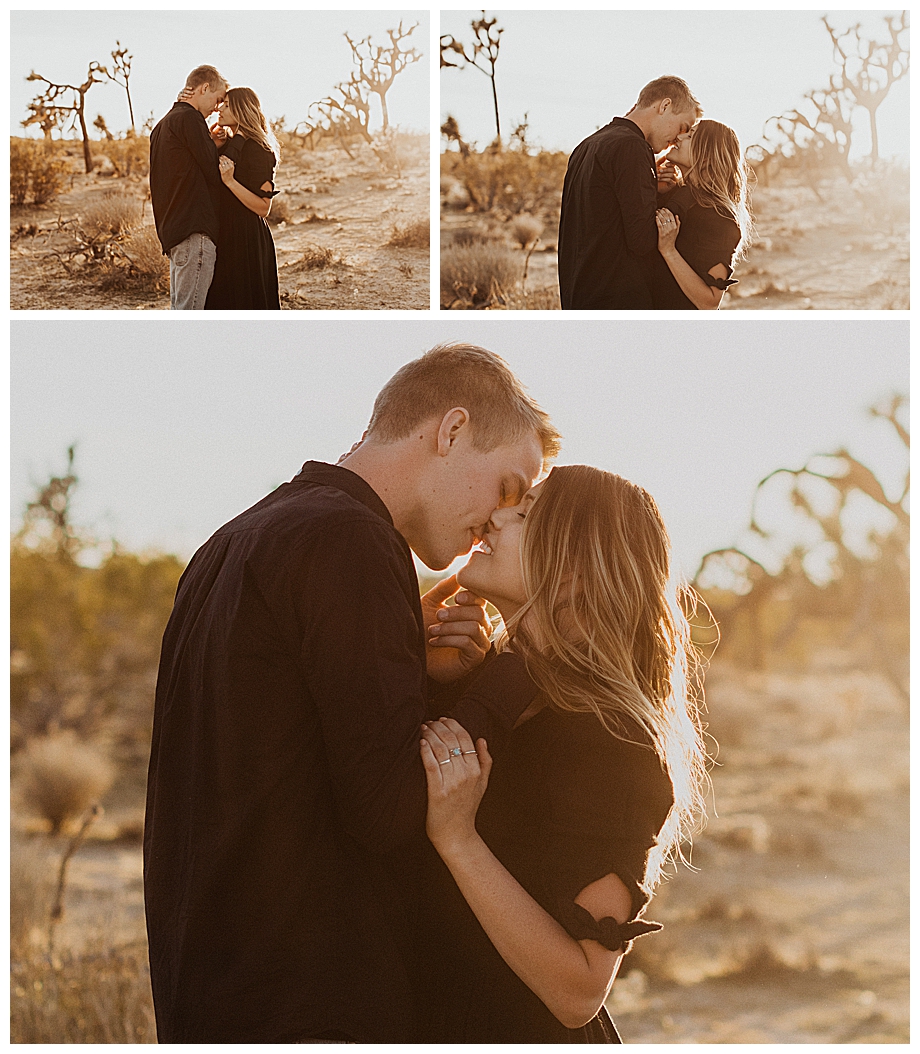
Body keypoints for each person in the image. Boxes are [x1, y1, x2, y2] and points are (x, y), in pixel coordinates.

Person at [143, 343, 562, 1043]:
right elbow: (390, 811)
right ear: (451, 432)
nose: (497, 519)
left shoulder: (233, 540)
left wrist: (416, 673)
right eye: (509, 488)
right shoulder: (352, 543)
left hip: (208, 987)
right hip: (310, 999)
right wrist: (523, 665)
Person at [415, 465, 709, 1043]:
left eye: (523, 514)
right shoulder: (488, 687)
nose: (495, 515)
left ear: (571, 571)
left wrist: (458, 839)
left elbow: (578, 992)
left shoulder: (612, 746)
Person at [557, 76, 702, 310]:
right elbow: (642, 240)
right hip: (616, 300)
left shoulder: (587, 145)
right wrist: (689, 192)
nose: (678, 138)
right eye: (682, 127)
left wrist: (651, 189)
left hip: (579, 293)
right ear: (665, 106)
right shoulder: (632, 147)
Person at [653, 119, 753, 309]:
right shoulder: (676, 195)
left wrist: (669, 251)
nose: (679, 136)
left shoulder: (720, 220)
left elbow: (710, 302)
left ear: (705, 156)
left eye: (690, 136)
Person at [149, 65, 227, 309]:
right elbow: (214, 173)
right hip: (194, 232)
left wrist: (209, 143)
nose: (217, 108)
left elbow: (188, 168)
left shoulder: (163, 125)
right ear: (204, 88)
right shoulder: (190, 119)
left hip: (174, 230)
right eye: (217, 99)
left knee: (181, 310)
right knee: (189, 314)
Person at [205, 87, 281, 310]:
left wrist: (231, 182)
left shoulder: (259, 150)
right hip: (223, 233)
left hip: (245, 239)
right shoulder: (228, 145)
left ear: (242, 110)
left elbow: (263, 207)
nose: (220, 108)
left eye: (227, 105)